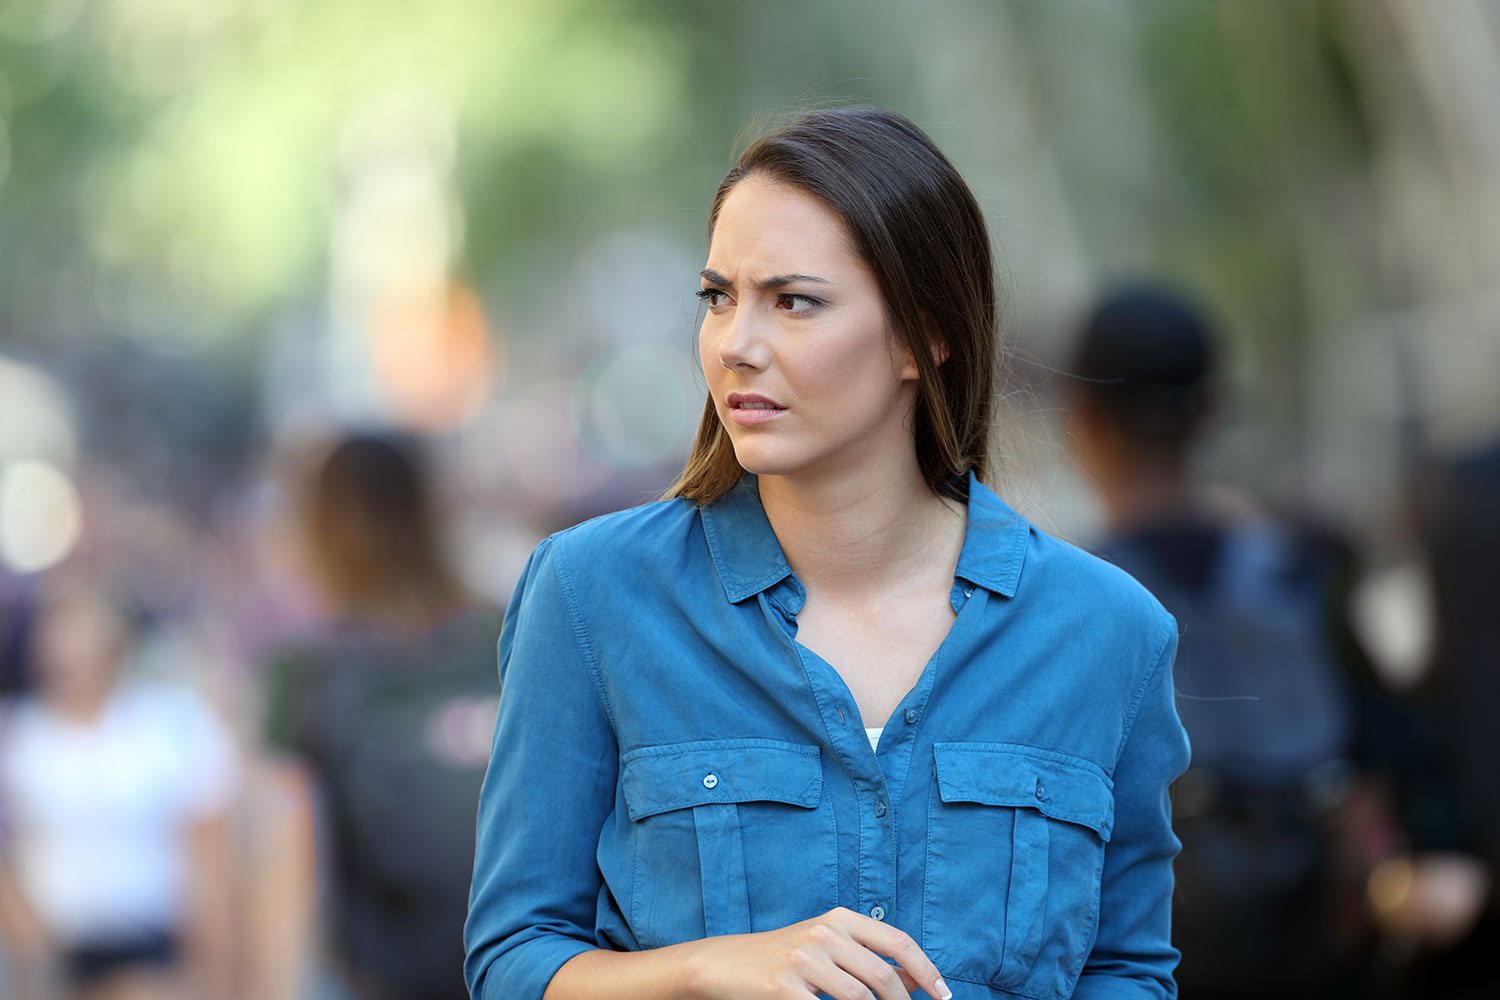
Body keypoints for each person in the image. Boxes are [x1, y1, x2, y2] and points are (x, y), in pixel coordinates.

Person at [465, 107, 1191, 1000]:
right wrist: (709, 969)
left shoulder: (1107, 632)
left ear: (924, 336)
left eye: (793, 301)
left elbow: (1127, 970)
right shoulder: (592, 595)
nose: (737, 344)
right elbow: (512, 958)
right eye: (718, 297)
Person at [1062, 283, 1403, 998]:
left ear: (1082, 421)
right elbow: (1392, 744)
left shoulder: (1063, 608)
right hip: (1334, 949)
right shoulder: (1306, 568)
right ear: (1212, 411)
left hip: (1168, 961)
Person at [260, 433, 500, 1000]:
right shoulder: (500, 633)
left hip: (375, 975)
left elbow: (288, 868)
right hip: (507, 963)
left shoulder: (308, 669)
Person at [0, 581, 237, 1000]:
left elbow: (209, 854)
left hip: (152, 944)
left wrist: (215, 969)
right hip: (54, 952)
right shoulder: (20, 737)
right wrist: (29, 944)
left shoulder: (170, 723)